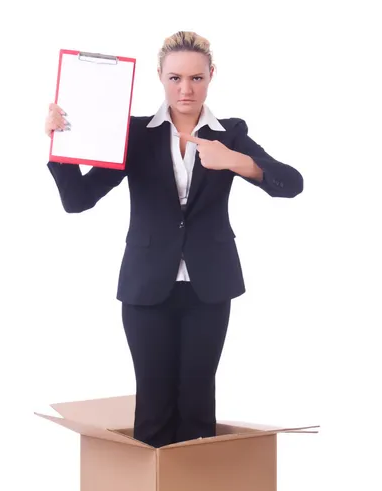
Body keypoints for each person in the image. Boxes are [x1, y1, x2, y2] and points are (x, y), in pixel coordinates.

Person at [45, 31, 303, 448]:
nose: (186, 89)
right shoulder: (135, 135)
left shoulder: (231, 133)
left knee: (198, 406)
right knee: (154, 405)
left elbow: (291, 183)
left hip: (209, 288)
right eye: (176, 78)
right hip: (146, 288)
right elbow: (77, 200)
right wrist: (62, 146)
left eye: (197, 78)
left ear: (211, 76)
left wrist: (234, 161)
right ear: (160, 77)